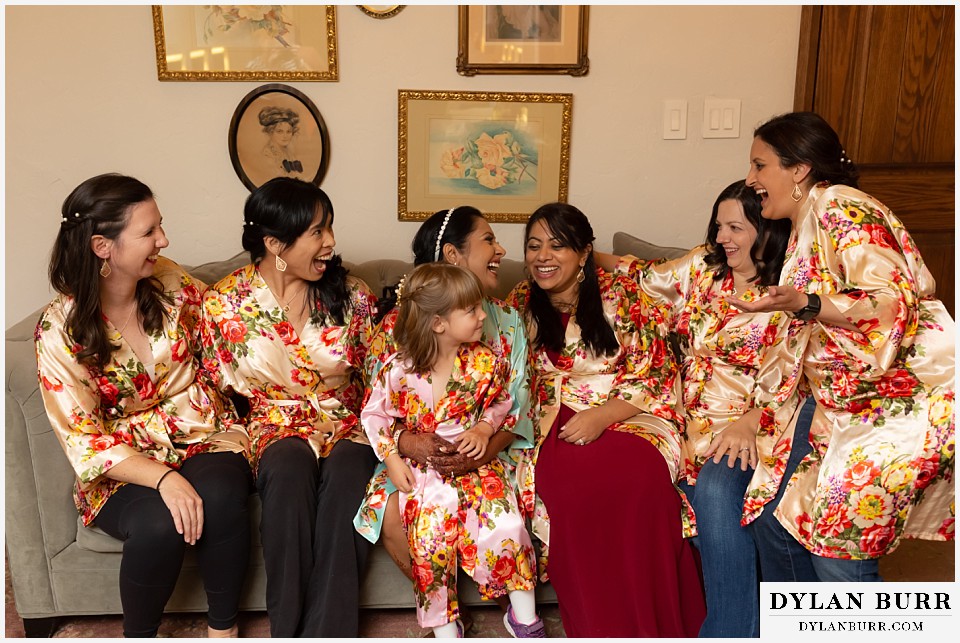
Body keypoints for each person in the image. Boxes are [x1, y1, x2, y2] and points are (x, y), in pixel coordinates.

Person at [731, 111, 955, 582]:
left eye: (759, 165)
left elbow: (892, 304)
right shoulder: (808, 220)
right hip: (842, 406)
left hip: (897, 403)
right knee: (779, 521)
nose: (750, 180)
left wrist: (806, 302)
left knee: (838, 549)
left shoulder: (842, 207)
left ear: (798, 169)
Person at [35, 173, 252, 638]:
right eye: (149, 231)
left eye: (161, 226)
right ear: (102, 246)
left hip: (200, 431)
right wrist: (164, 478)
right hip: (123, 462)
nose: (164, 239)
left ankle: (223, 631)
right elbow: (85, 440)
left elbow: (223, 338)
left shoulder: (171, 280)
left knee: (222, 493)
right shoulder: (59, 331)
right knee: (158, 525)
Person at [599, 180, 793, 637]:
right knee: (679, 507)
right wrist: (578, 256)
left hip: (753, 425)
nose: (722, 237)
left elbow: (798, 375)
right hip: (687, 426)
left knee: (714, 493)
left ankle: (725, 633)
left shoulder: (790, 293)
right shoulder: (703, 270)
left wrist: (750, 422)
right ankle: (748, 624)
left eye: (736, 227)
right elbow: (641, 274)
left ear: (767, 230)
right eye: (718, 226)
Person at [506, 202, 706, 637]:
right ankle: (600, 625)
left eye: (557, 246)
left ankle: (662, 625)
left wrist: (604, 415)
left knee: (639, 476)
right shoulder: (519, 302)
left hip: (630, 410)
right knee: (572, 483)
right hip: (549, 416)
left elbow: (657, 370)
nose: (543, 256)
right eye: (534, 246)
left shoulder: (626, 295)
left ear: (584, 252)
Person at [198, 177, 379, 636]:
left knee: (348, 474)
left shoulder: (351, 294)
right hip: (274, 423)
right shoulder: (224, 304)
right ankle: (288, 629)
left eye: (330, 228)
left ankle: (329, 632)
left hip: (346, 419)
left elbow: (382, 374)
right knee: (288, 466)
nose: (331, 242)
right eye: (317, 232)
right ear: (275, 243)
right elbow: (215, 387)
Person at [354, 206, 535, 598]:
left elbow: (517, 404)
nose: (501, 249)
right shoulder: (398, 327)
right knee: (391, 511)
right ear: (453, 255)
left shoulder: (507, 321)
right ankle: (446, 616)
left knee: (502, 509)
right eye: (489, 239)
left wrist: (483, 447)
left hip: (492, 448)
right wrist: (409, 445)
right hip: (419, 456)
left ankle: (513, 605)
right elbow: (378, 406)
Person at [259, 106, 303, 177]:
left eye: (288, 131)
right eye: (279, 131)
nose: (285, 136)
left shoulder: (289, 153)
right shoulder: (267, 155)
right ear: (271, 132)